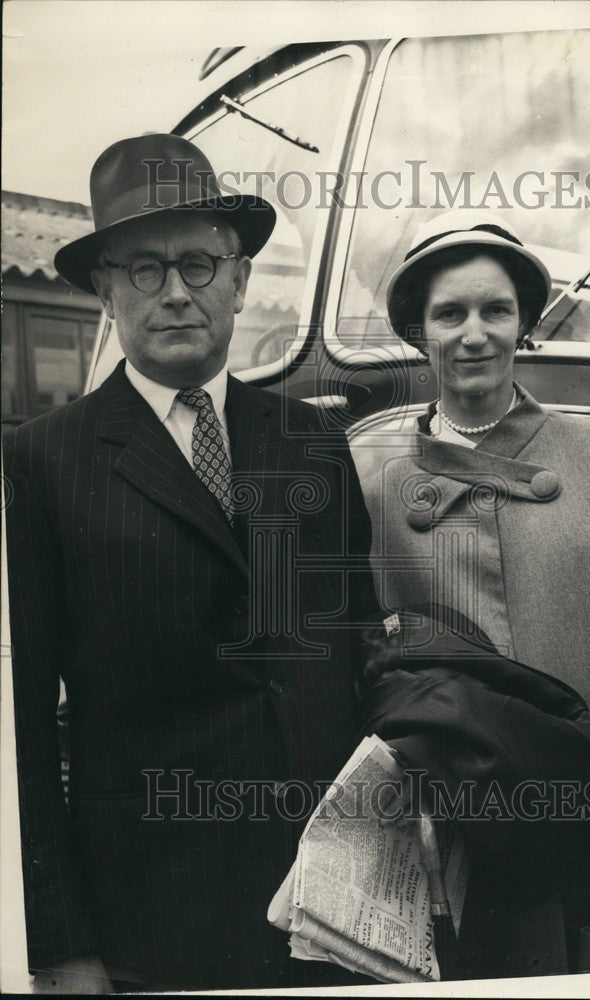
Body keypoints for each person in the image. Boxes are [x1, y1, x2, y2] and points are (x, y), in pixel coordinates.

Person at [3, 134, 379, 992]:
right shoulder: (44, 462)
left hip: (323, 907)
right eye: (143, 269)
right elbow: (18, 726)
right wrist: (57, 940)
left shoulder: (312, 440)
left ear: (240, 279)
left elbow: (352, 656)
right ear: (104, 289)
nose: (175, 292)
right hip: (153, 920)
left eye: (199, 265)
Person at [359, 209, 590, 977]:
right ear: (419, 332)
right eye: (449, 313)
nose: (473, 333)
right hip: (457, 848)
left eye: (495, 310)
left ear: (523, 326)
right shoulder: (375, 495)